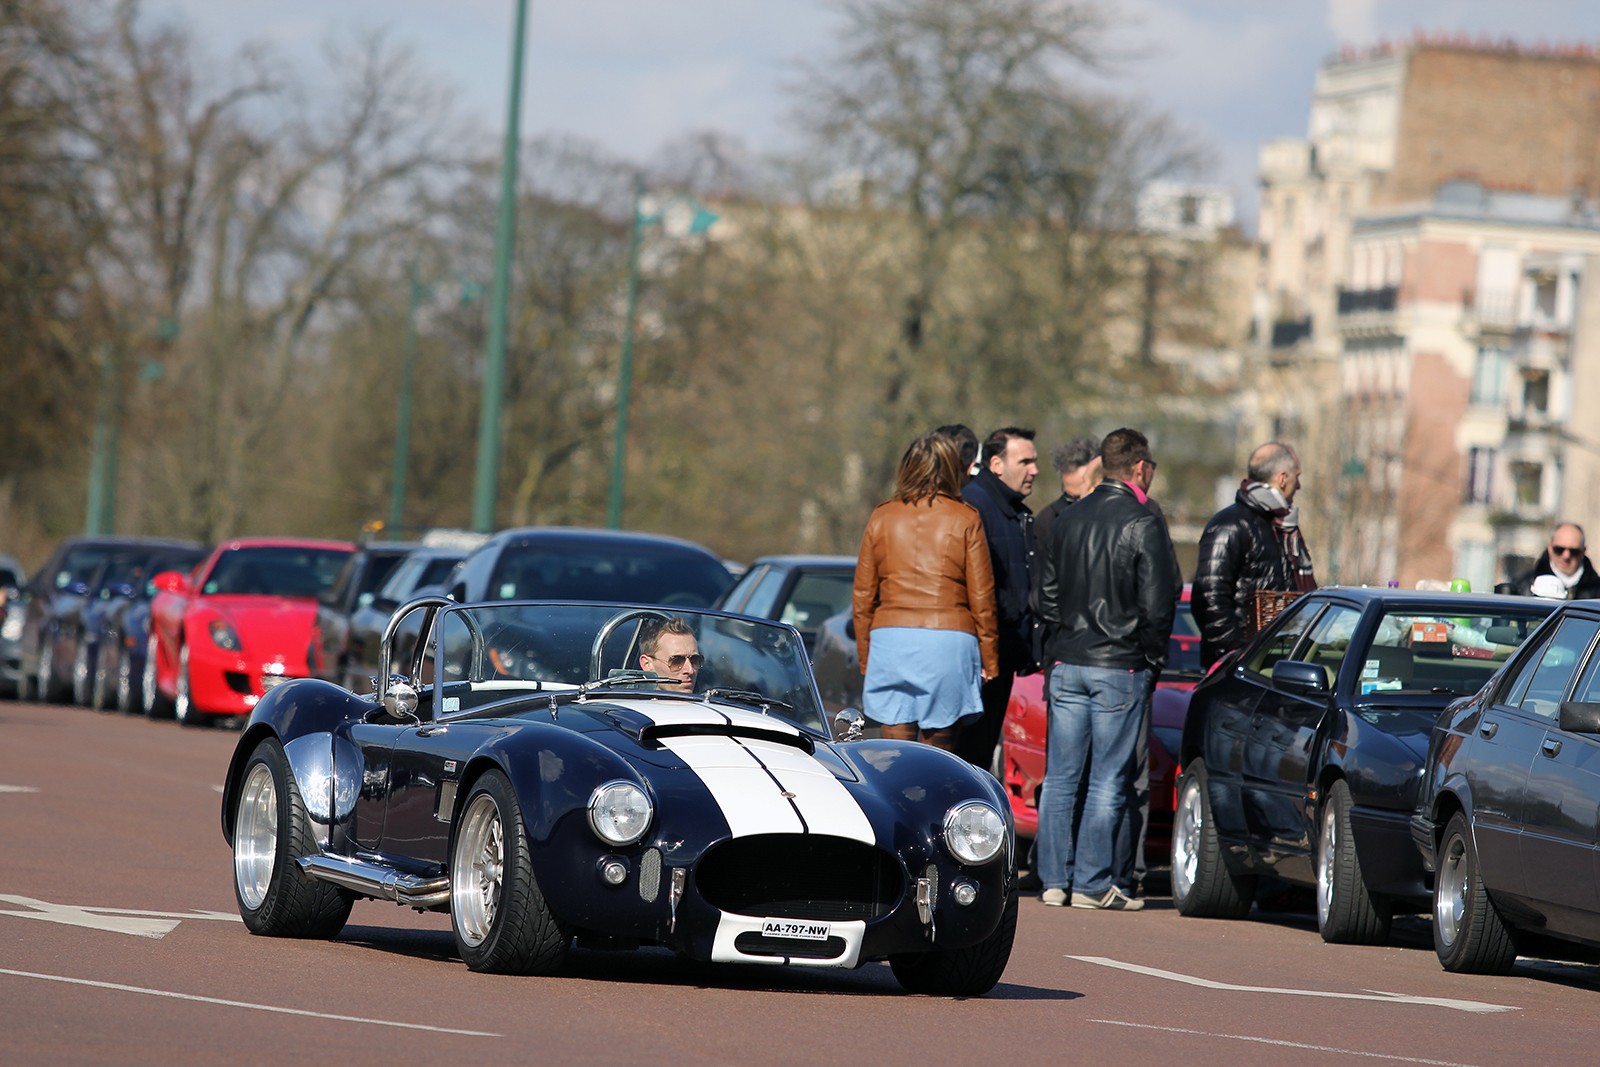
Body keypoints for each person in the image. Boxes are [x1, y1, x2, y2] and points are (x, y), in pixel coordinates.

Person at [1035, 428, 1178, 911]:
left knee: (1061, 775)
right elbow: (1159, 607)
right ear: (1140, 468)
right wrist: (1152, 660)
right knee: (1106, 778)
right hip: (1119, 663)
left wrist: (1056, 647)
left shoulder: (1067, 518)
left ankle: (1054, 880)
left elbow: (1046, 597)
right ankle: (1092, 884)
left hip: (1069, 659)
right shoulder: (1143, 522)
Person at [852, 431, 999, 751]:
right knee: (940, 757)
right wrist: (990, 658)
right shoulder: (966, 517)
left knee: (894, 755)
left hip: (891, 640)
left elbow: (863, 596)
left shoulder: (882, 516)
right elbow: (982, 598)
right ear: (951, 468)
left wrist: (866, 655)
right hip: (949, 640)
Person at [1191, 441, 1317, 669]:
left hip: (1277, 663)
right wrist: (1236, 653)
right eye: (1296, 476)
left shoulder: (1283, 529)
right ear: (1282, 478)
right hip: (1237, 667)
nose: (1298, 485)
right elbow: (1208, 597)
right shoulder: (1230, 524)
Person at [956, 426, 1040, 767]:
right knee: (966, 756)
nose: (1034, 470)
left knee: (980, 752)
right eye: (1025, 461)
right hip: (979, 659)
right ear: (996, 463)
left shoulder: (1014, 510)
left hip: (1000, 656)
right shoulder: (974, 506)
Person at [1033, 437, 1102, 552]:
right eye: (1072, 497)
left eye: (1088, 495)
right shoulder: (1048, 521)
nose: (1079, 504)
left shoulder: (1125, 516)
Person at [1512, 523, 1600, 600]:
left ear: (1583, 551)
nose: (1566, 556)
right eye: (1559, 550)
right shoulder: (1523, 586)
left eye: (1574, 551)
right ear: (1550, 548)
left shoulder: (1597, 590)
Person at [638, 617, 703, 692]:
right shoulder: (630, 703)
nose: (690, 670)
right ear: (647, 664)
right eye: (677, 661)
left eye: (694, 660)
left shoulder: (712, 700)